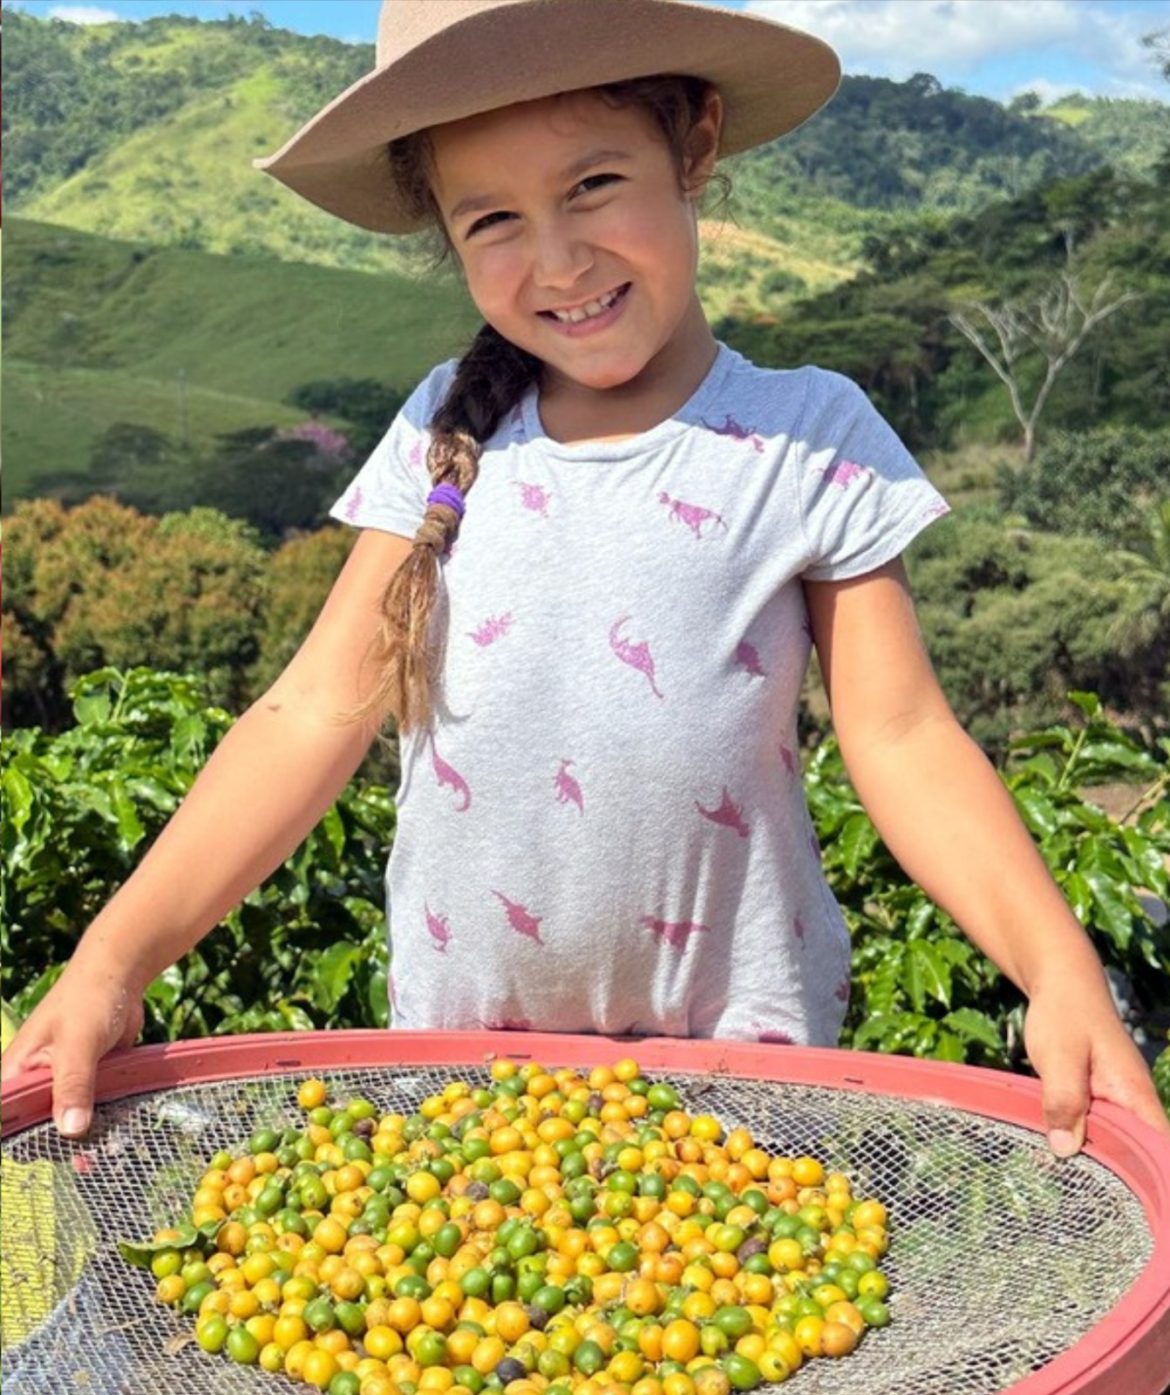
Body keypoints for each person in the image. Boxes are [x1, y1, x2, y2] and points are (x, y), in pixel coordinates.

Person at [3, 0, 1166, 1160]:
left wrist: (1057, 970)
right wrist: (114, 961)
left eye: (596, 185)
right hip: (465, 1103)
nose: (559, 260)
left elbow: (904, 736)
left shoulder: (809, 435)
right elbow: (310, 714)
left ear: (694, 147)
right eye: (494, 218)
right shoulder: (440, 434)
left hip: (739, 1093)